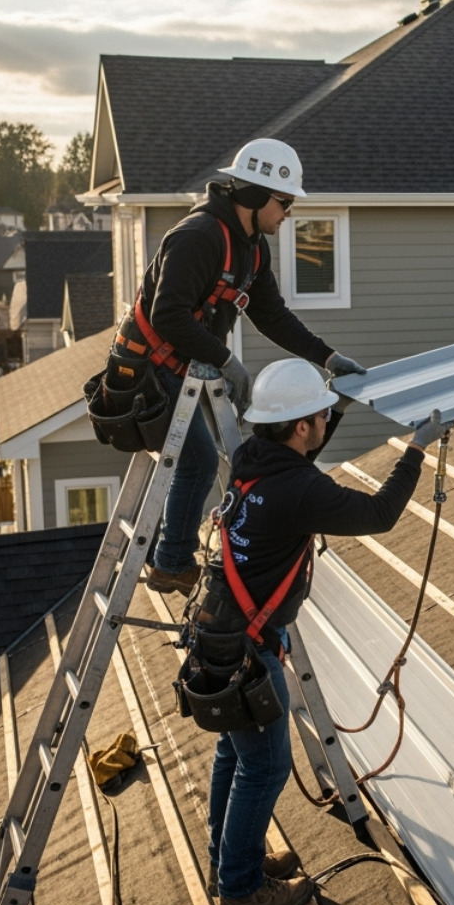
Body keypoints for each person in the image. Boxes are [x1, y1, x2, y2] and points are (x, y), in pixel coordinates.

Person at [196, 358, 449, 905]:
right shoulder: (299, 489)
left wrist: (337, 397)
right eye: (321, 416)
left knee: (232, 755)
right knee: (264, 769)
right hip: (248, 650)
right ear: (301, 426)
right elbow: (381, 513)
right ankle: (238, 888)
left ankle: (229, 861)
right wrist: (417, 449)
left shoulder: (252, 462)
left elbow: (302, 443)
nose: (326, 422)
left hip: (219, 634)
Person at [110, 137, 368, 593]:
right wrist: (227, 361)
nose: (289, 213)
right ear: (252, 194)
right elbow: (167, 315)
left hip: (188, 369)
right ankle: (171, 563)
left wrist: (326, 356)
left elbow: (271, 315)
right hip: (148, 372)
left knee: (243, 454)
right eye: (284, 202)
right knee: (199, 463)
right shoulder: (198, 237)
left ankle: (232, 540)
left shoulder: (250, 247)